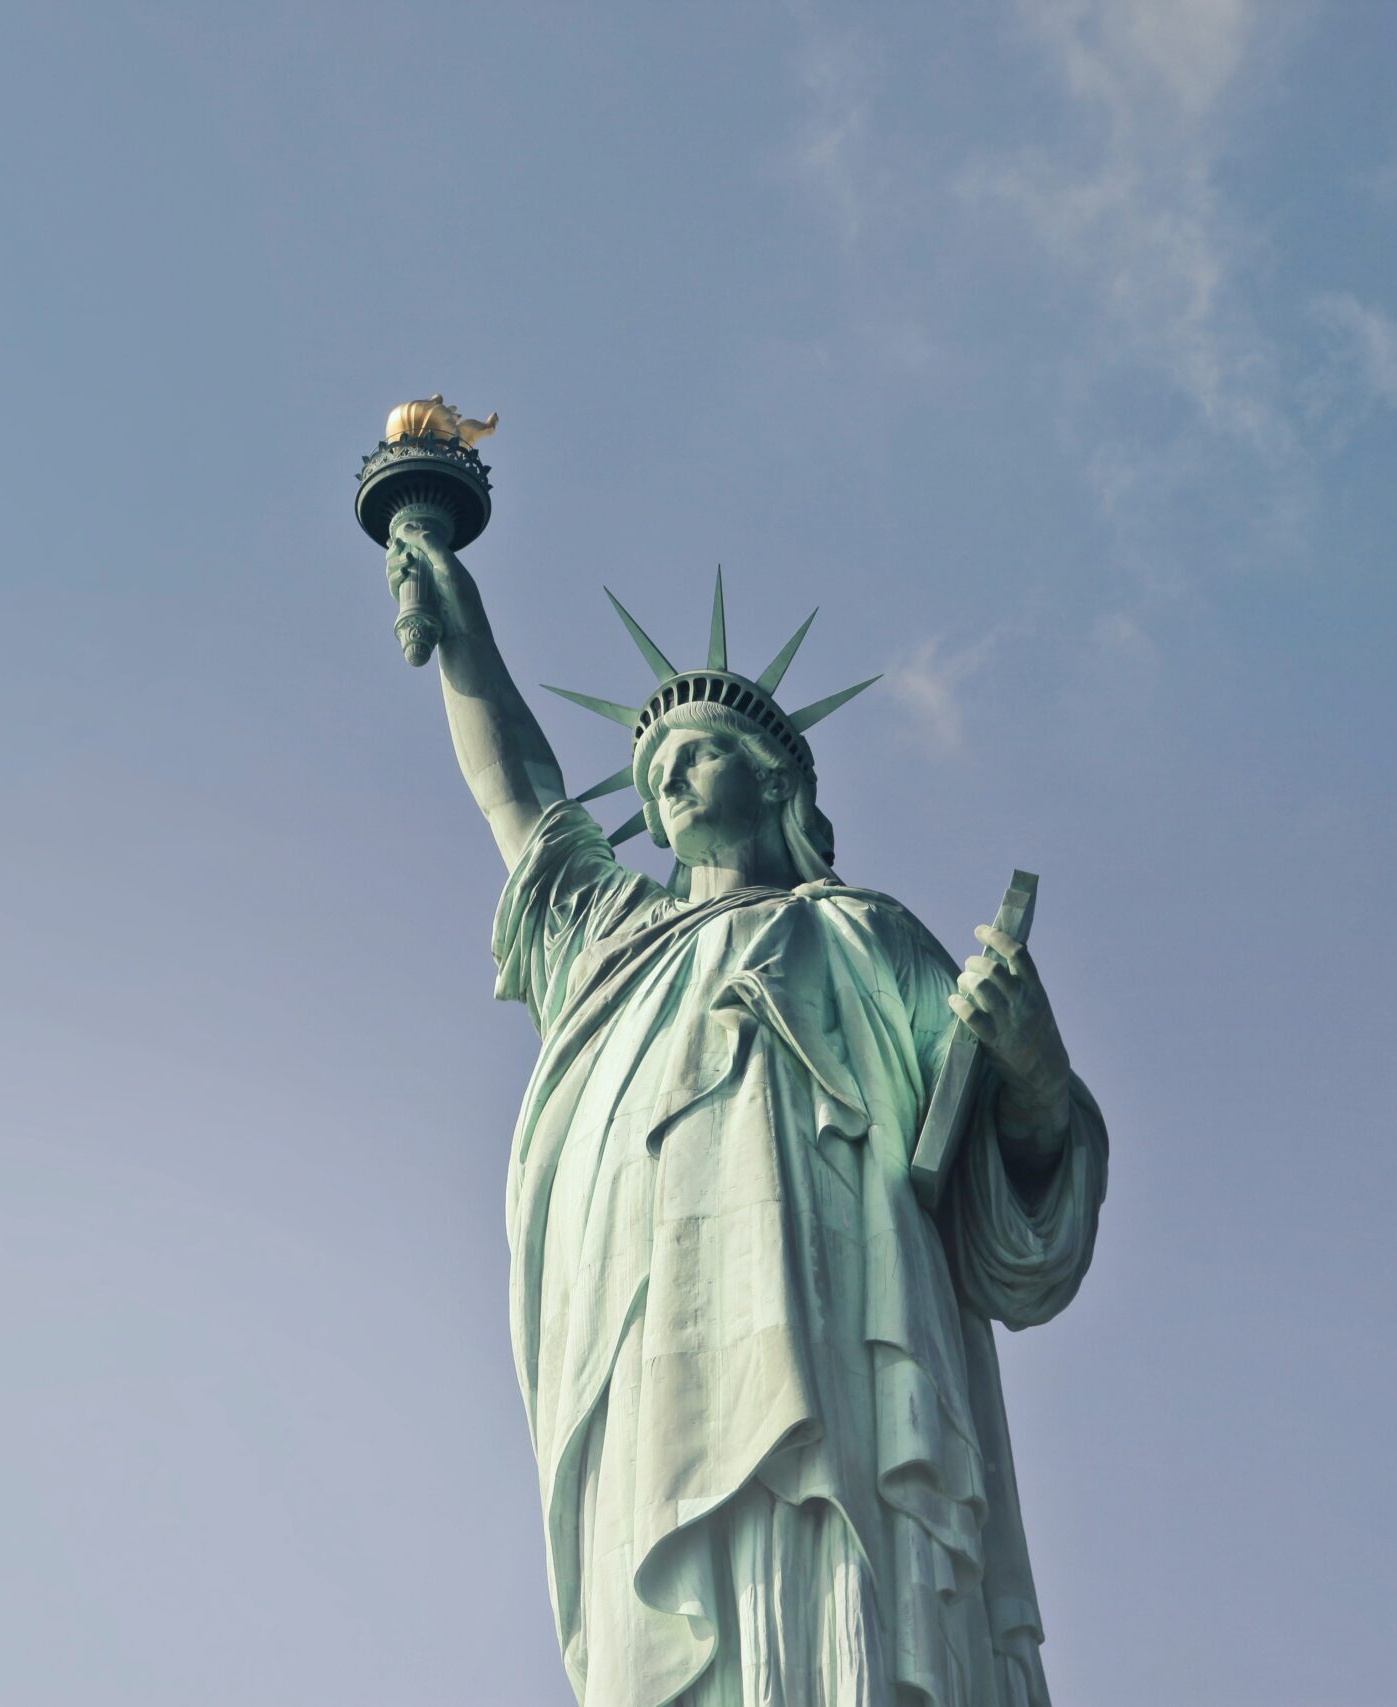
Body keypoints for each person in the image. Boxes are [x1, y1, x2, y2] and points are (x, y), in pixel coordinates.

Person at [381, 511, 1107, 1707]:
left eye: (698, 747)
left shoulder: (864, 935)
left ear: (774, 782)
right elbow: (520, 801)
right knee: (670, 1585)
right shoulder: (611, 945)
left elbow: (1012, 1214)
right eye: (651, 760)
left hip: (849, 1328)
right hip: (655, 1334)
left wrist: (1029, 1068)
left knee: (849, 1578)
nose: (665, 769)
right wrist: (466, 637)